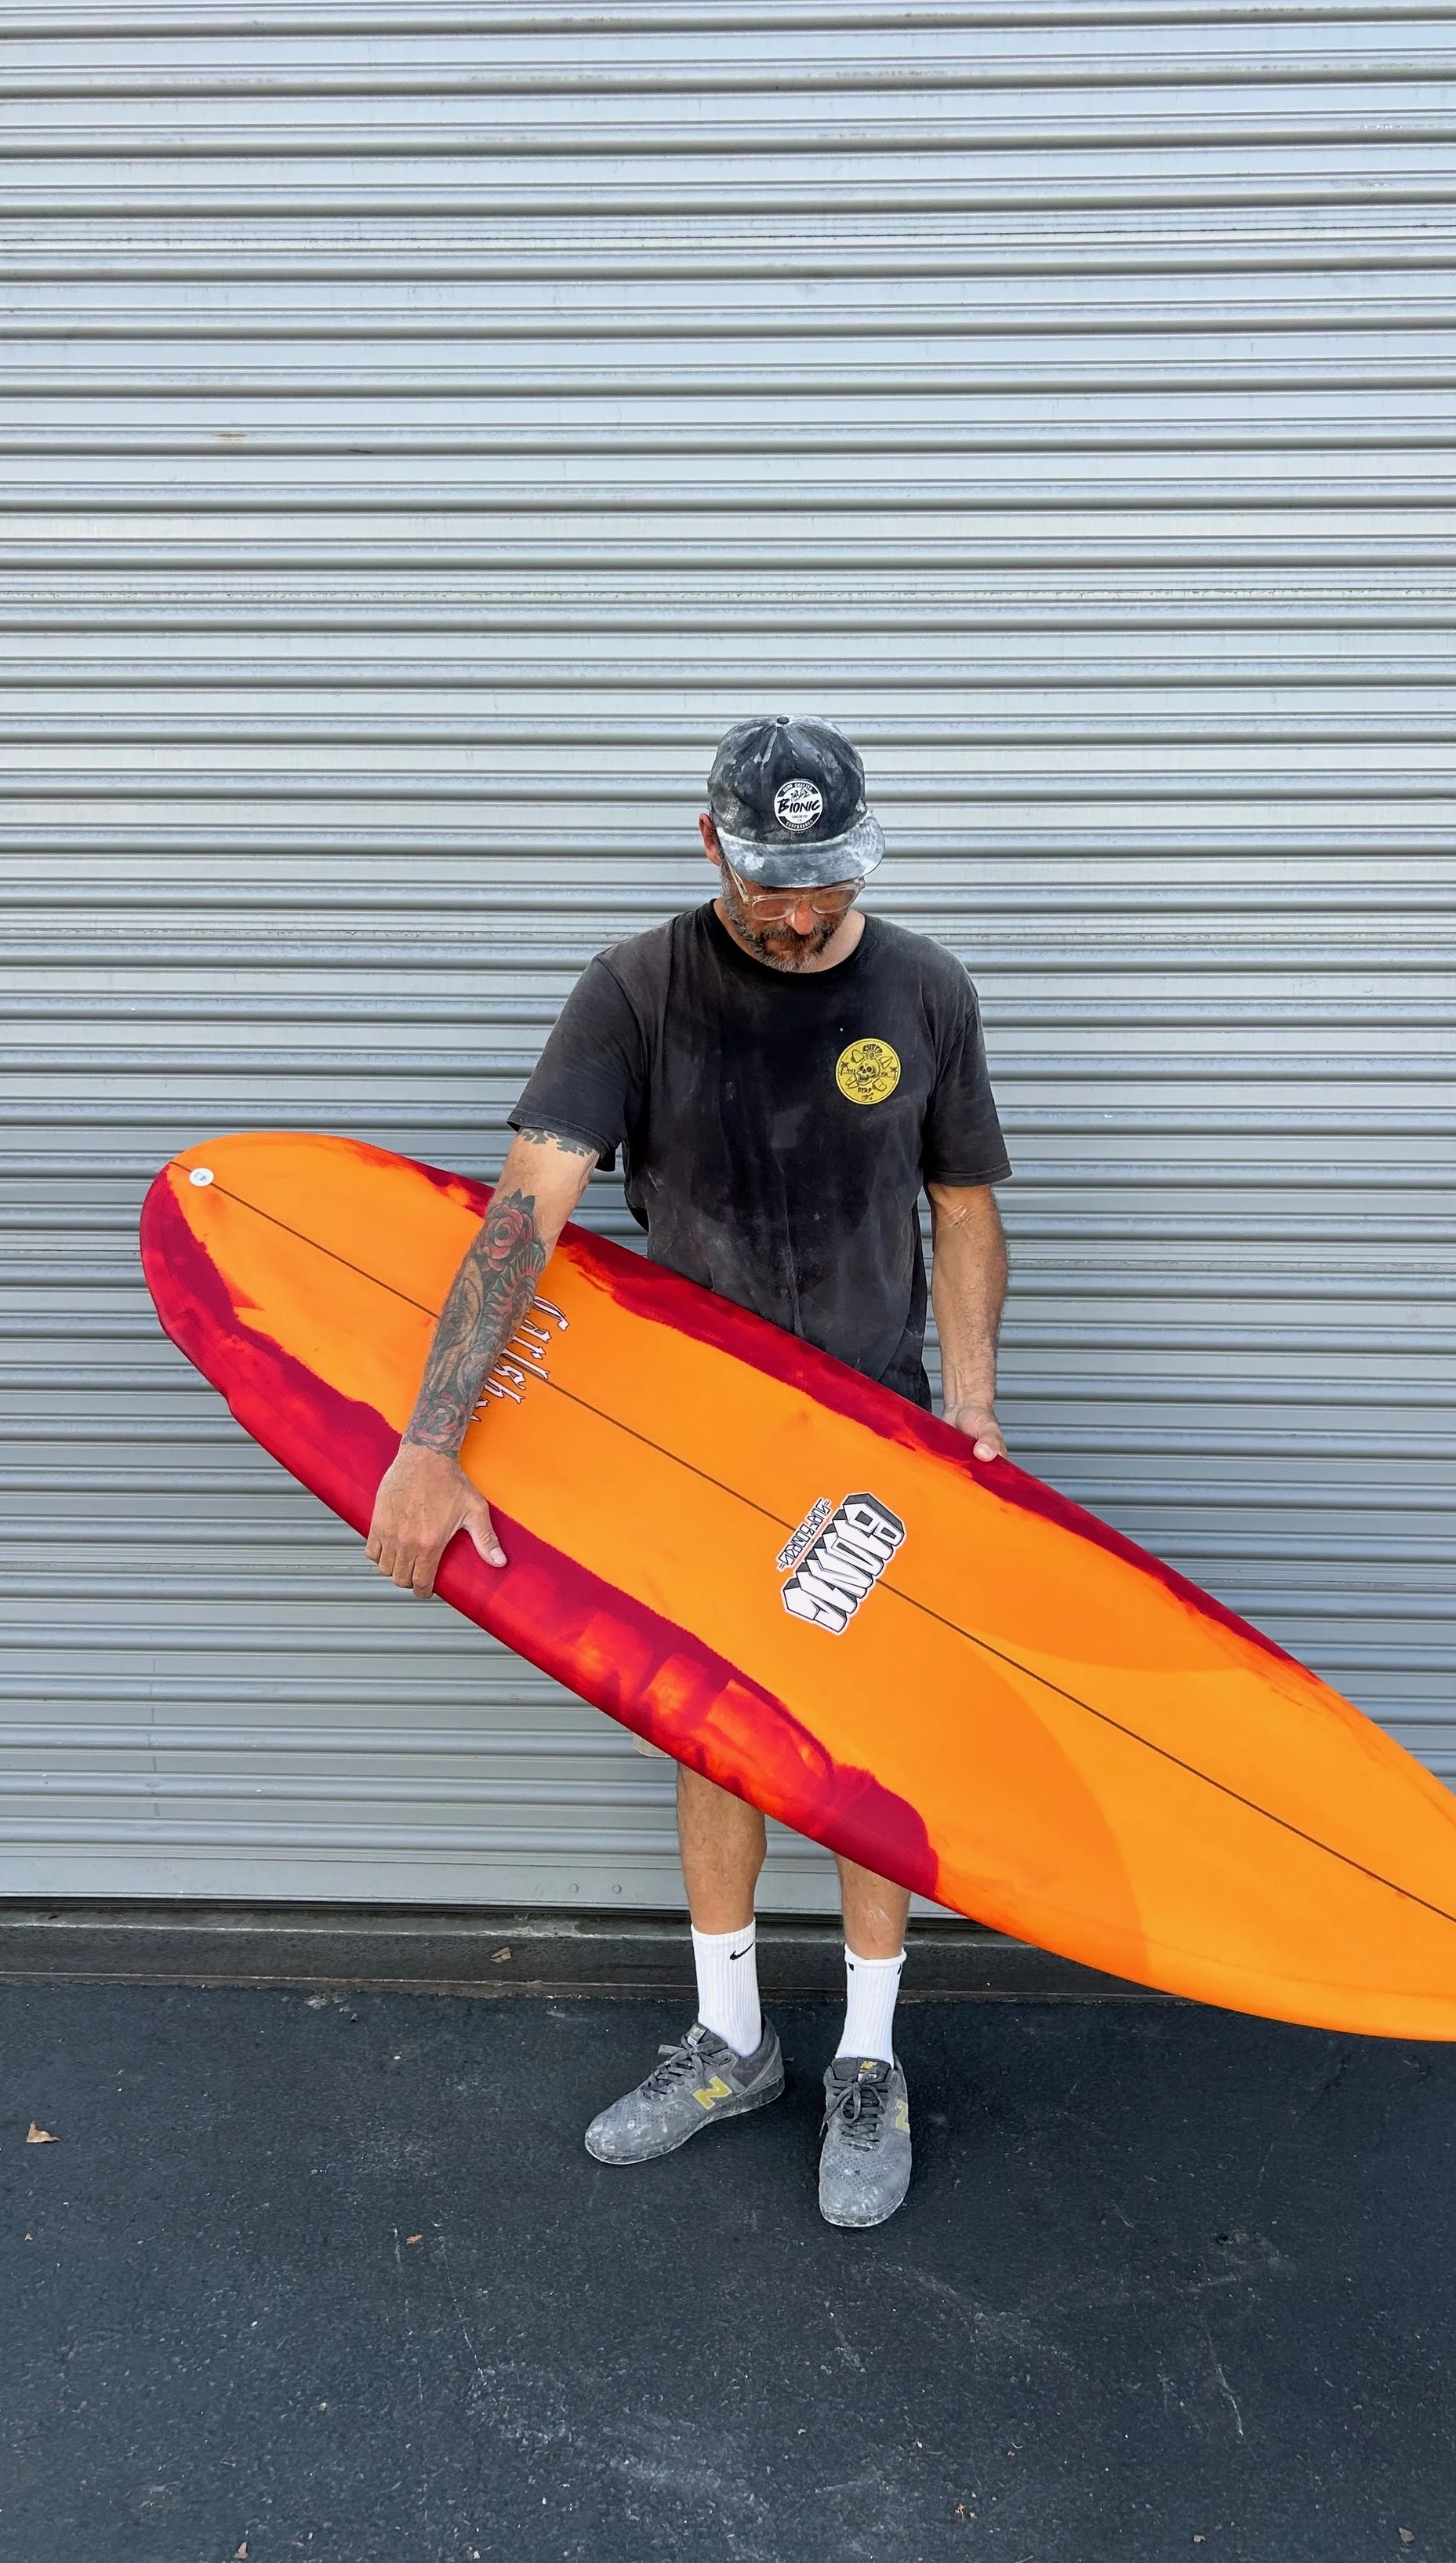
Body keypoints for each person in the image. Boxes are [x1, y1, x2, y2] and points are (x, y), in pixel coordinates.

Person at [364, 714, 1012, 2228]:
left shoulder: (924, 987)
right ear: (712, 841)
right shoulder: (635, 992)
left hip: (876, 1442)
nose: (800, 916)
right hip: (695, 1452)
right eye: (775, 883)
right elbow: (529, 1214)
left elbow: (964, 1206)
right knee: (713, 1732)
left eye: (828, 886)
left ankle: (867, 2057)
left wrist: (971, 1412)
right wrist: (429, 1442)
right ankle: (732, 2042)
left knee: (866, 1738)